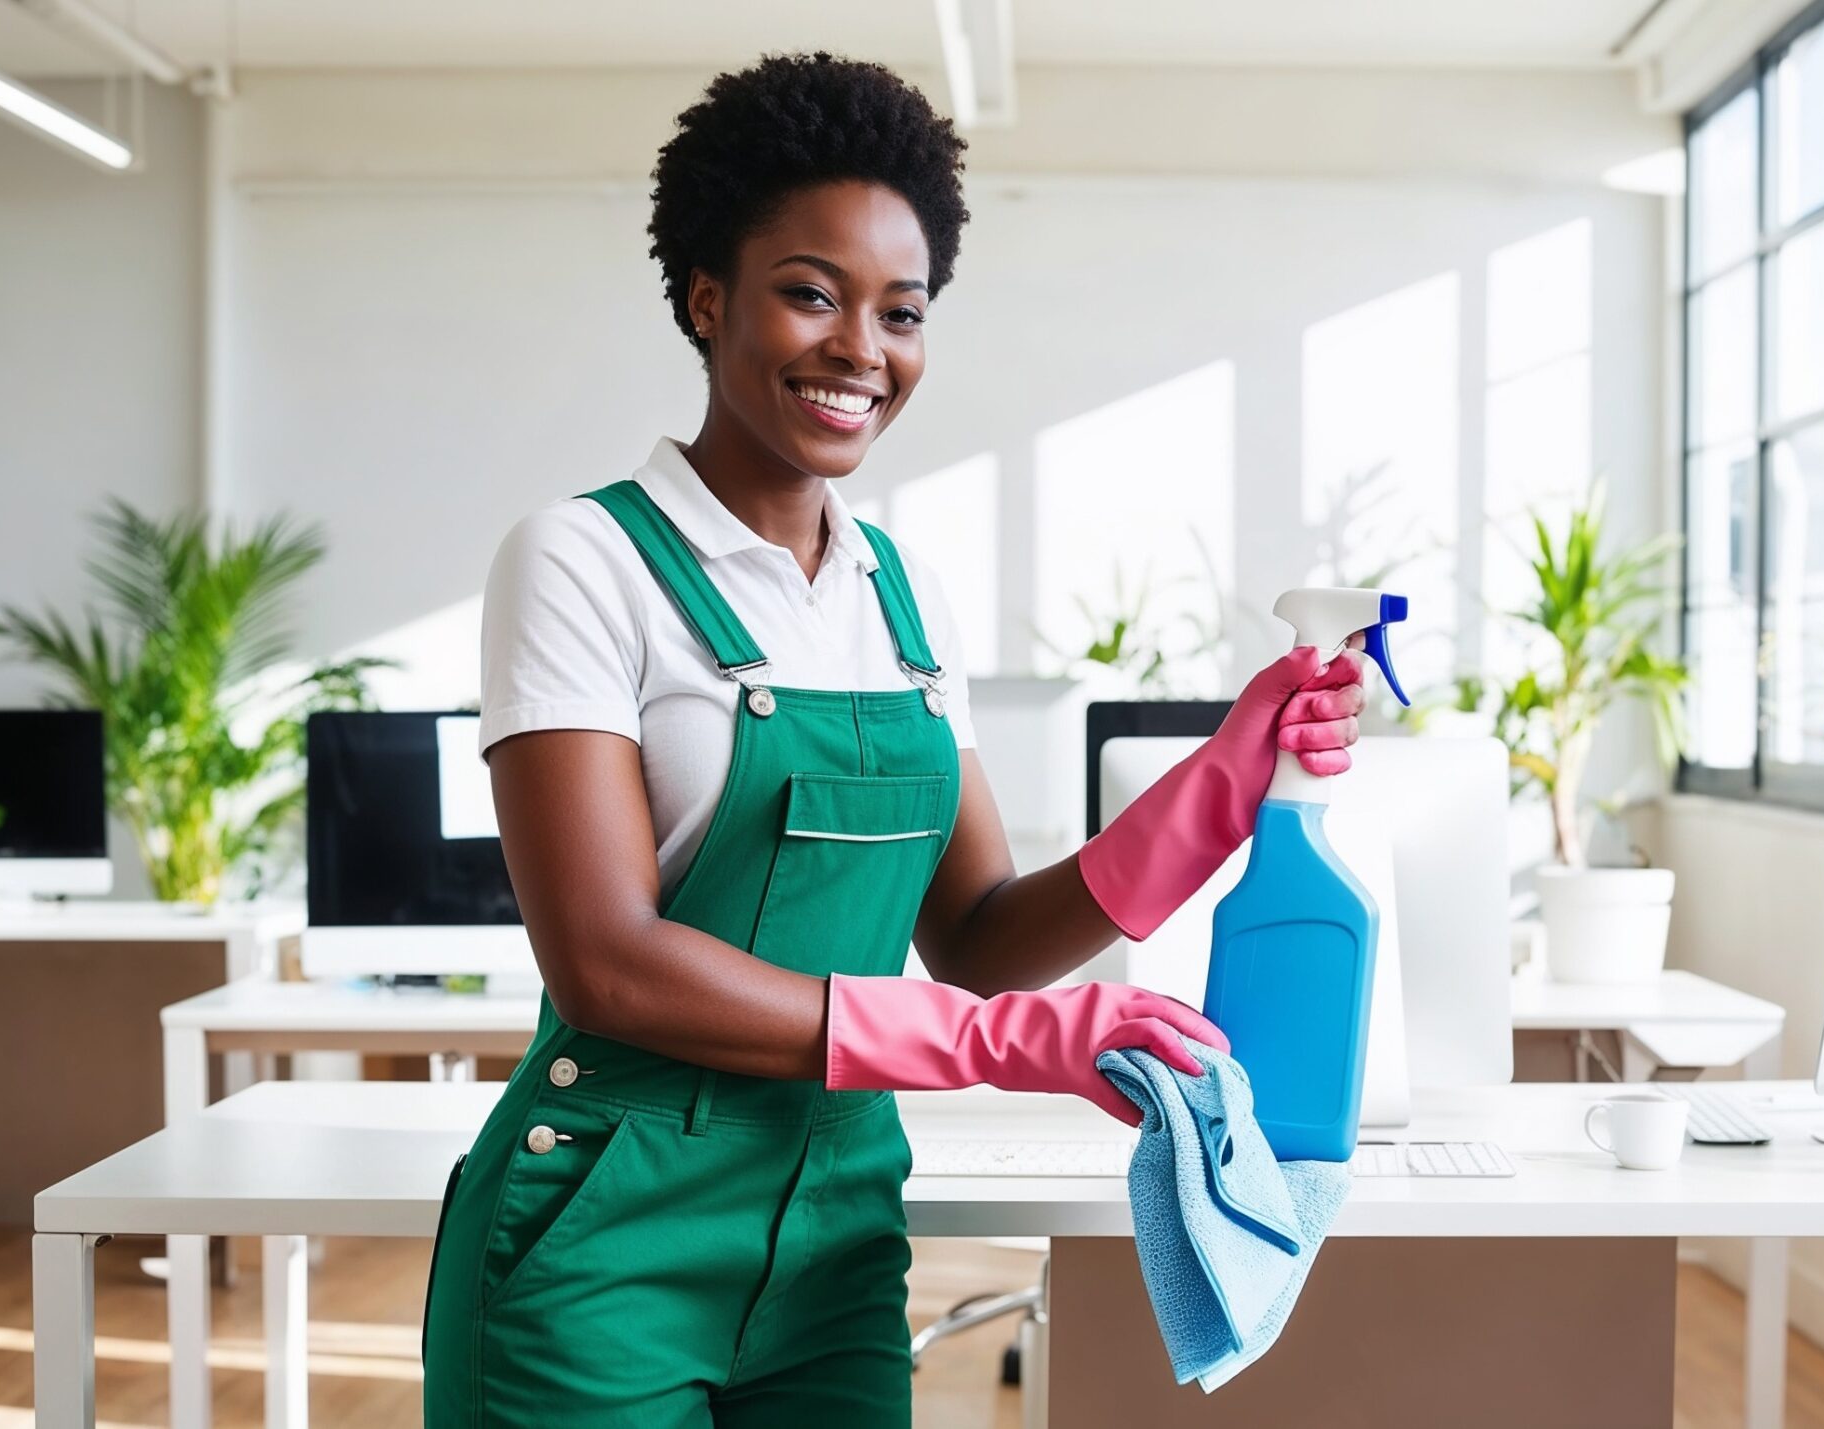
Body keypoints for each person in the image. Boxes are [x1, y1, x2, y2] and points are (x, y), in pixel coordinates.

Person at [420, 53, 1365, 1428]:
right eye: (812, 292)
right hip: (600, 1241)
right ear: (705, 298)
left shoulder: (896, 598)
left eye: (901, 310)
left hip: (838, 1243)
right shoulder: (582, 557)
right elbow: (609, 962)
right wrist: (991, 1042)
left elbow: (978, 932)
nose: (863, 347)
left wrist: (1214, 792)